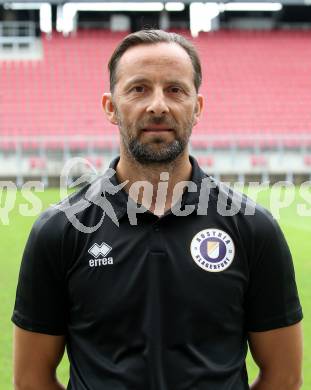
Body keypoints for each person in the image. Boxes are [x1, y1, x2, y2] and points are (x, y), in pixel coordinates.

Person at [12, 29, 303, 390]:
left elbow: (284, 376)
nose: (158, 105)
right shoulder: (59, 230)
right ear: (110, 107)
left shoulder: (253, 228)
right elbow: (30, 379)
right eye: (139, 88)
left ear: (197, 107)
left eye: (175, 90)